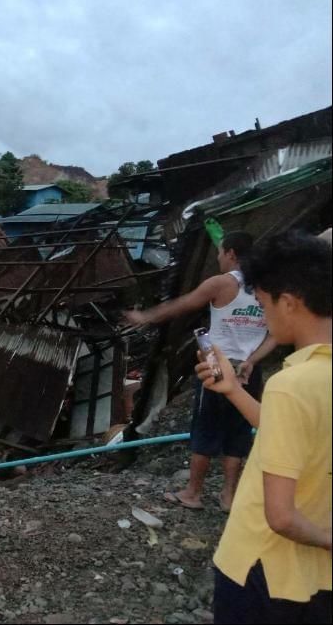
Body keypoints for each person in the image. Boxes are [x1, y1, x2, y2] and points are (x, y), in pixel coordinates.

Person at [194, 230, 331, 624]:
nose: (263, 315)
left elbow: (281, 517)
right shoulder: (316, 378)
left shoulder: (290, 385)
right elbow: (288, 433)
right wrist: (234, 390)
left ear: (288, 303)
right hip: (316, 578)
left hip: (259, 568)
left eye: (264, 303)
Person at [124, 231, 272, 511]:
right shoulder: (266, 287)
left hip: (217, 365)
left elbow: (183, 304)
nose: (217, 257)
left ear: (230, 253)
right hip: (249, 368)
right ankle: (229, 497)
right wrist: (252, 359)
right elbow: (275, 333)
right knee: (238, 431)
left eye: (219, 252)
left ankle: (193, 493)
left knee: (206, 428)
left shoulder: (221, 283)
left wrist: (145, 316)